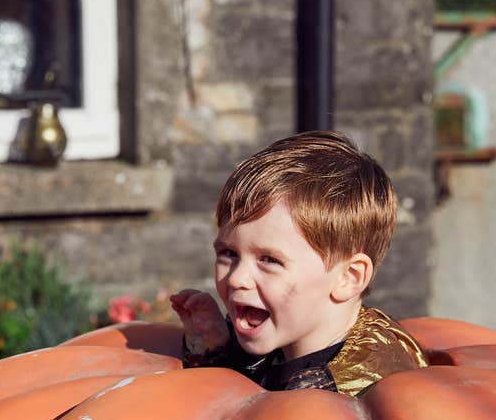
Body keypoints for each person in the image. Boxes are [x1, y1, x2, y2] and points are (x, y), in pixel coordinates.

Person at [170, 130, 427, 397]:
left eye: (269, 260)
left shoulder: (361, 392)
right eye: (229, 253)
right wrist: (217, 347)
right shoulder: (288, 334)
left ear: (348, 277)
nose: (236, 278)